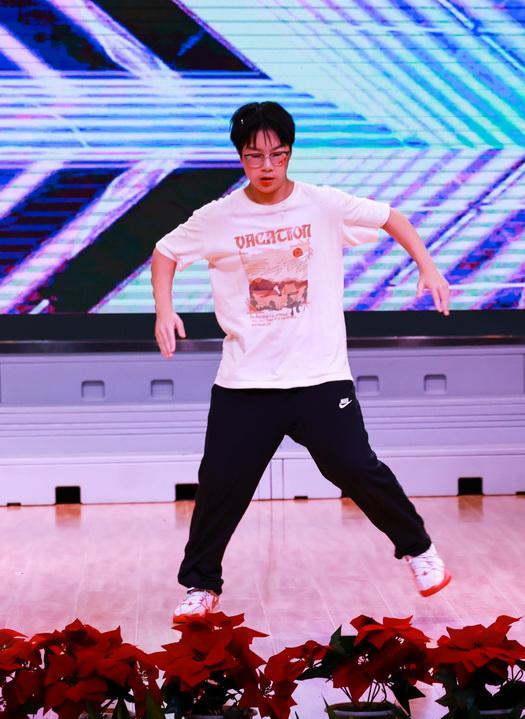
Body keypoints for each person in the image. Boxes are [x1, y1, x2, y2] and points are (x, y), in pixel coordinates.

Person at [153, 101, 454, 621]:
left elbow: (391, 218)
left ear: (290, 153)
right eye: (254, 156)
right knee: (221, 484)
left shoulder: (322, 204)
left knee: (356, 467)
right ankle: (200, 587)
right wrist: (164, 308)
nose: (267, 166)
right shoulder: (219, 216)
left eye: (277, 154)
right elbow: (165, 252)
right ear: (241, 157)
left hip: (319, 377)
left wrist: (426, 265)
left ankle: (419, 551)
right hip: (246, 382)